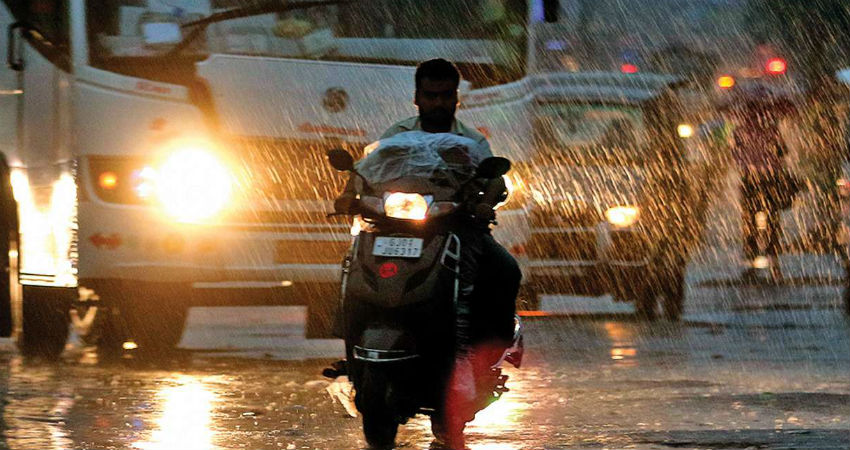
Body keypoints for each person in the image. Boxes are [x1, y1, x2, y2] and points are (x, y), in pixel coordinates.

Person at [335, 58, 521, 449]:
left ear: (455, 98)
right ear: (416, 97)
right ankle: (350, 352)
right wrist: (350, 194)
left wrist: (486, 201)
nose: (437, 103)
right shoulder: (395, 137)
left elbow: (493, 183)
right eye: (429, 95)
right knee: (349, 265)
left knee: (505, 269)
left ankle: (483, 352)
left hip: (453, 227)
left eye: (445, 96)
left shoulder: (471, 142)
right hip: (393, 226)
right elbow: (367, 172)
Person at [732, 105, 796, 282]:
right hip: (770, 181)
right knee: (773, 224)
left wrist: (749, 160)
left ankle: (750, 266)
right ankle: (775, 267)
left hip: (750, 182)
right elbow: (783, 153)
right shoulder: (772, 130)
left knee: (749, 224)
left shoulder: (740, 131)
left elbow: (736, 156)